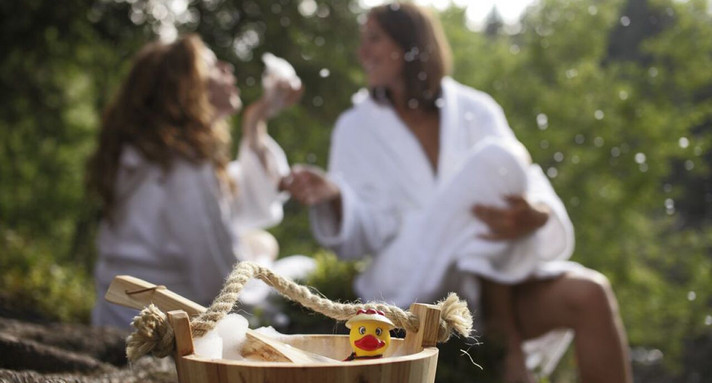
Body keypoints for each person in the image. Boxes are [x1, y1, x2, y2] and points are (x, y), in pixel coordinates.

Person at [281, 3, 632, 383]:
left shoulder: (476, 110)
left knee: (591, 294)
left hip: (492, 283)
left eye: (374, 39)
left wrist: (537, 213)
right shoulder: (356, 128)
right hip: (414, 285)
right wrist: (336, 197)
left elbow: (521, 178)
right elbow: (363, 234)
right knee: (484, 192)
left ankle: (496, 309)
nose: (361, 52)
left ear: (411, 43)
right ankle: (499, 320)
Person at [87, 34, 313, 330]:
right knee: (307, 267)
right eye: (211, 64)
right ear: (185, 87)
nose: (226, 66)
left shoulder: (151, 156)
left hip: (121, 317)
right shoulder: (185, 168)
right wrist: (261, 258)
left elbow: (242, 199)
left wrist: (257, 119)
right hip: (157, 328)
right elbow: (219, 285)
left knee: (259, 240)